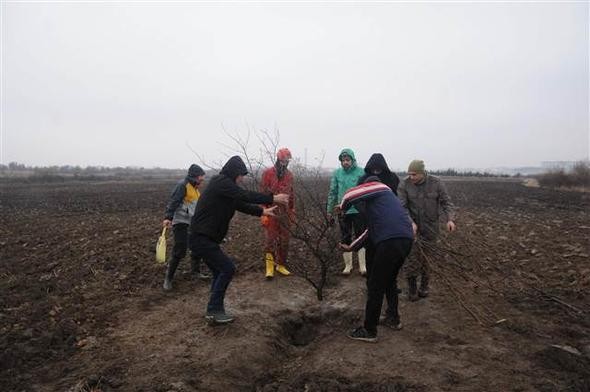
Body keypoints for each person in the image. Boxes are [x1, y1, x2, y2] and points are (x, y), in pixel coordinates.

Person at [189, 156, 289, 325]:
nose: (242, 178)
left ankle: (213, 309)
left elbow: (240, 204)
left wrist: (262, 212)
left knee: (219, 271)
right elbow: (244, 195)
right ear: (234, 172)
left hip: (204, 238)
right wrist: (272, 198)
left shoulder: (226, 189)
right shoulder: (220, 182)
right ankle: (214, 310)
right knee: (227, 269)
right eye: (241, 175)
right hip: (201, 237)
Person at [339, 177, 413, 342]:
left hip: (390, 242)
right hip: (406, 240)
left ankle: (369, 330)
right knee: (389, 281)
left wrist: (343, 207)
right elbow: (370, 232)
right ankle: (393, 319)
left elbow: (351, 194)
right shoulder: (383, 206)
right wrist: (352, 247)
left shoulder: (381, 187)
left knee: (375, 285)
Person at [398, 159, 456, 301]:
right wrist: (410, 222)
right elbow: (402, 207)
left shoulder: (436, 183)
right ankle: (412, 289)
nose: (411, 177)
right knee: (412, 259)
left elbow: (446, 202)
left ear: (422, 173)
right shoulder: (404, 184)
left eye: (414, 174)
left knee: (426, 259)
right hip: (412, 229)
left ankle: (424, 286)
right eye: (409, 174)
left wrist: (450, 219)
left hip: (431, 228)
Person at [162, 164, 210, 291]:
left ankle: (195, 272)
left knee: (197, 246)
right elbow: (173, 202)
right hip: (180, 223)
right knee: (180, 250)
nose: (203, 179)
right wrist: (168, 217)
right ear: (195, 176)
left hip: (192, 223)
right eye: (201, 176)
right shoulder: (183, 186)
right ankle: (168, 278)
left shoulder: (195, 189)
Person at [326, 148, 366, 275]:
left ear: (353, 160)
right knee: (345, 236)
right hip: (342, 210)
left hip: (359, 210)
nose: (345, 162)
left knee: (361, 236)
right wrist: (329, 211)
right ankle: (348, 266)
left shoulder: (361, 172)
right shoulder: (337, 173)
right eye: (343, 160)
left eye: (348, 160)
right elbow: (333, 192)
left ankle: (362, 266)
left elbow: (366, 190)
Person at [260, 148, 295, 279]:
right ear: (278, 159)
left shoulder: (290, 175)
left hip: (284, 212)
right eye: (284, 160)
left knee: (284, 240)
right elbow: (262, 194)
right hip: (271, 211)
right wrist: (263, 212)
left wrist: (292, 211)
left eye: (287, 160)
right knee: (270, 240)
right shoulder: (267, 173)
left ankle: (281, 265)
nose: (285, 163)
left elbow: (291, 195)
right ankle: (269, 267)